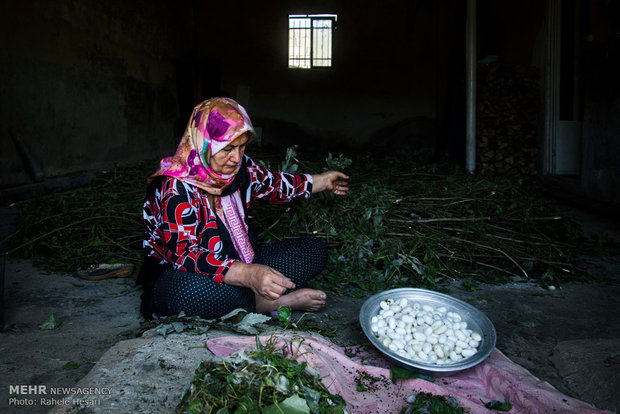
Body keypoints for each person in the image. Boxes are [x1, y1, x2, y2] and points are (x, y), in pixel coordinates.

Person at [137, 97, 349, 320]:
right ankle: (272, 303)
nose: (236, 158)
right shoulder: (174, 187)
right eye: (227, 148)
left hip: (241, 260)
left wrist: (322, 181)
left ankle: (249, 299)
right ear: (204, 142)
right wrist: (249, 276)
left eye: (241, 147)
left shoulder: (240, 168)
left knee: (314, 249)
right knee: (187, 295)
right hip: (188, 274)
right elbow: (185, 255)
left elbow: (275, 185)